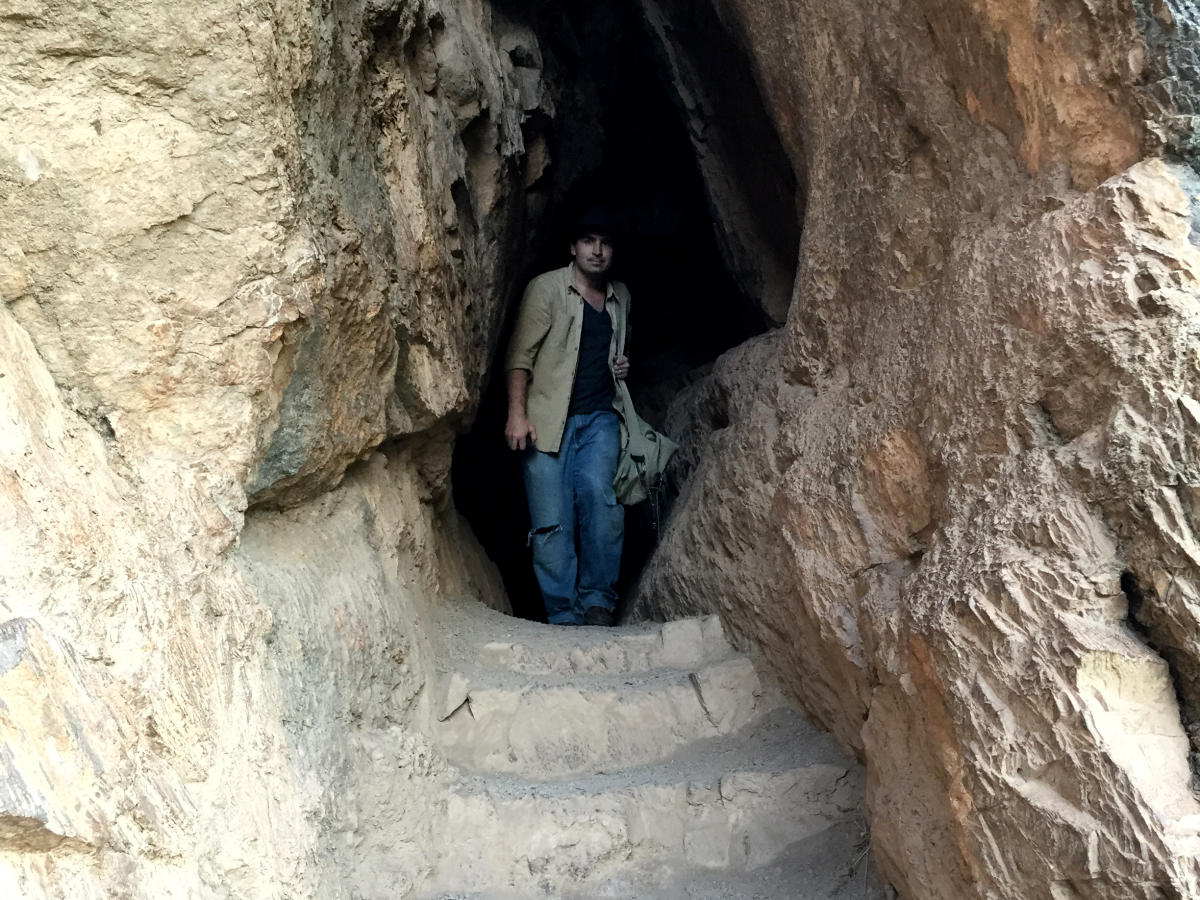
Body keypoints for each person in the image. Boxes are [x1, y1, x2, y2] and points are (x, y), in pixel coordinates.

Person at [504, 206, 631, 627]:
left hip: (599, 419)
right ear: (573, 247)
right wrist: (516, 415)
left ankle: (598, 601)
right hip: (546, 421)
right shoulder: (546, 290)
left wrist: (620, 366)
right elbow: (519, 357)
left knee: (601, 501)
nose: (597, 251)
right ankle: (562, 615)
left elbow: (609, 350)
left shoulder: (621, 297)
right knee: (551, 521)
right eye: (589, 241)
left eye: (606, 243)